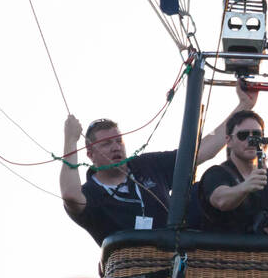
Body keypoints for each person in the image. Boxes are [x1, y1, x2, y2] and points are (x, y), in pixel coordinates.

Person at [59, 83, 257, 245]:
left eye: (119, 141)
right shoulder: (92, 194)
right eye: (106, 144)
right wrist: (70, 140)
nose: (115, 147)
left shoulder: (146, 165)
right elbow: (70, 194)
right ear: (90, 153)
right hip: (130, 274)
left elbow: (201, 152)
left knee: (202, 190)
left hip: (173, 264)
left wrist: (244, 106)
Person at [198, 110, 268, 236]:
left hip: (265, 253)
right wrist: (245, 187)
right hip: (224, 252)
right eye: (243, 135)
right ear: (229, 141)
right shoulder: (216, 173)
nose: (251, 140)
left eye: (256, 134)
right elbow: (220, 200)